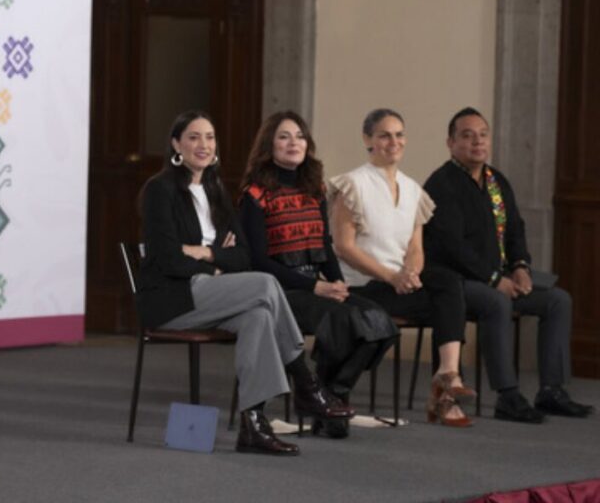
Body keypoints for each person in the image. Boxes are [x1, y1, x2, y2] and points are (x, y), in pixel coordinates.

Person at [136, 110, 352, 457]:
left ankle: (253, 425)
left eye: (209, 137)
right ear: (176, 144)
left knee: (258, 317)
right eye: (193, 137)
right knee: (265, 284)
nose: (203, 144)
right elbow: (168, 259)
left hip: (212, 294)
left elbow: (243, 256)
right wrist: (217, 263)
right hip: (173, 299)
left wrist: (206, 253)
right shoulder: (160, 190)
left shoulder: (216, 190)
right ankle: (306, 383)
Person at [422, 107, 593, 423]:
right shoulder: (441, 184)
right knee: (496, 302)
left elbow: (515, 229)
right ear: (450, 143)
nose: (477, 142)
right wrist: (493, 280)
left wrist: (520, 267)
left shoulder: (496, 181)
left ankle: (552, 390)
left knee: (558, 300)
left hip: (499, 277)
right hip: (456, 281)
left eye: (483, 135)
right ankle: (508, 395)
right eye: (467, 136)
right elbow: (451, 247)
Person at [238, 111, 397, 438]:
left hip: (317, 285)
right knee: (344, 321)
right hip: (281, 292)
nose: (293, 142)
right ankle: (323, 401)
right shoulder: (255, 195)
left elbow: (324, 244)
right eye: (284, 136)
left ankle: (331, 393)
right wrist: (316, 287)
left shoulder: (315, 189)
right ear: (269, 145)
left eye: (299, 136)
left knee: (380, 322)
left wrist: (337, 283)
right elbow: (259, 262)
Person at [328, 108, 474, 427]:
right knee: (448, 305)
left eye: (399, 134)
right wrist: (392, 276)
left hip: (396, 286)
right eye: (384, 135)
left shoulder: (412, 190)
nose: (393, 142)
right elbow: (344, 247)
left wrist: (410, 273)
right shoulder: (352, 184)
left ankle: (447, 374)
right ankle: (444, 397)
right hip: (361, 287)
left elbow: (416, 248)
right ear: (368, 139)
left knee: (449, 284)